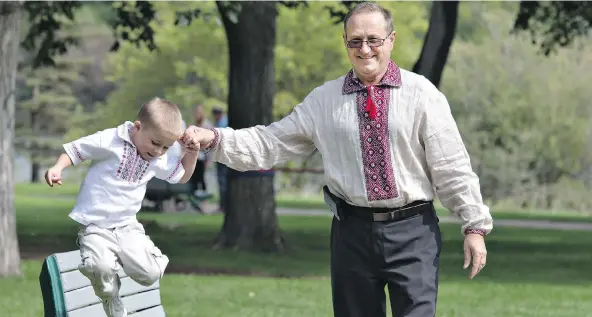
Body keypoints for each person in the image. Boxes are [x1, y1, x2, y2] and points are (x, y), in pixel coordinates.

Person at [188, 2, 493, 317]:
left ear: (391, 40)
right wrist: (214, 138)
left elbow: (451, 166)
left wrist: (474, 226)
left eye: (373, 39)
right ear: (345, 43)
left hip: (414, 232)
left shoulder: (423, 95)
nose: (364, 49)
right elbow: (271, 142)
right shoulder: (324, 101)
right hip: (352, 234)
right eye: (355, 41)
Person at [43, 97, 200, 317]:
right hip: (96, 226)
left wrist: (191, 154)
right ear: (137, 127)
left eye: (166, 147)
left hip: (127, 226)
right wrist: (57, 168)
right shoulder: (111, 140)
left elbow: (182, 176)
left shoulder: (157, 159)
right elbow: (76, 150)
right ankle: (107, 290)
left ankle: (140, 257)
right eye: (155, 143)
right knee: (102, 271)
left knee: (151, 274)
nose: (158, 151)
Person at [189, 104, 213, 196]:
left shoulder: (207, 125)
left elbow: (210, 142)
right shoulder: (194, 125)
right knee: (194, 178)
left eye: (199, 112)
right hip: (195, 156)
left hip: (204, 157)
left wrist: (208, 159)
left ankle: (205, 199)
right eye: (196, 112)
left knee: (202, 178)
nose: (197, 114)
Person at [211, 107, 228, 212]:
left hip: (222, 157)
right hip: (222, 157)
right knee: (223, 182)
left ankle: (223, 206)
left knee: (223, 182)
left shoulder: (221, 124)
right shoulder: (222, 122)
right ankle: (223, 205)